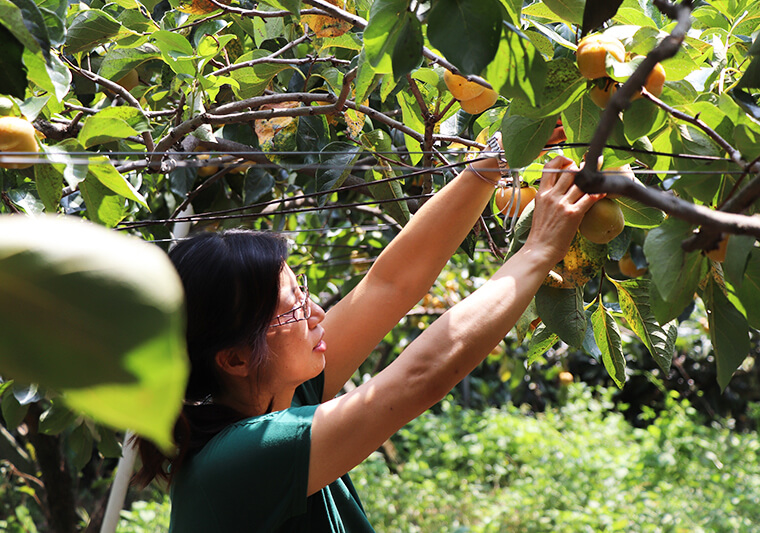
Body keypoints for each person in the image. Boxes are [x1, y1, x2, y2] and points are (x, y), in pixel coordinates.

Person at [132, 140, 601, 532]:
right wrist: (538, 251)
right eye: (293, 308)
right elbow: (418, 377)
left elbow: (389, 285)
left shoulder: (281, 395)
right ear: (235, 359)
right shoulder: (237, 462)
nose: (316, 313)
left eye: (305, 292)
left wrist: (499, 154)